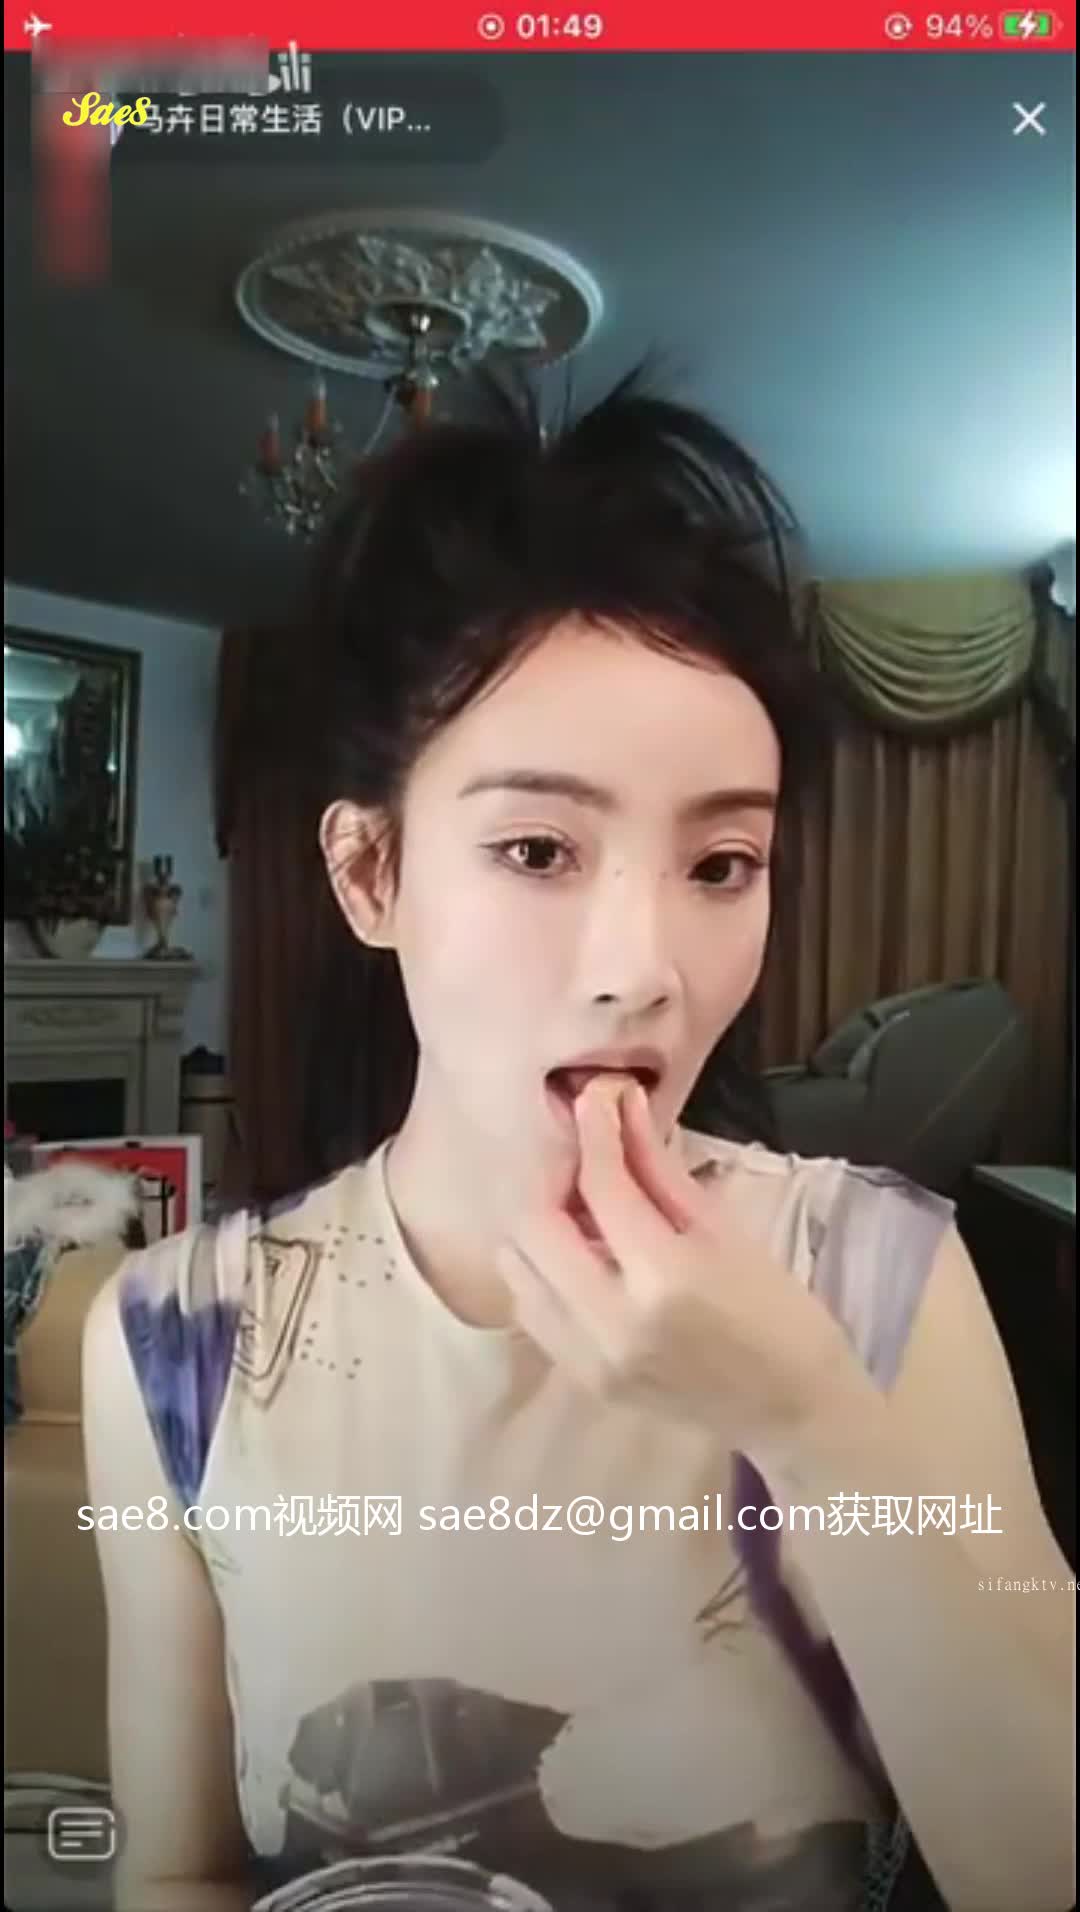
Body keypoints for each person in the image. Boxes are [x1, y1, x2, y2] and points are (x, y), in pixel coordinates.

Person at [83, 373, 1074, 1912]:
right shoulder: (179, 1342)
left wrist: (811, 1422)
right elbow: (177, 1873)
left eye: (722, 863)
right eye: (539, 848)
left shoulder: (879, 1276)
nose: (644, 968)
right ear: (370, 874)